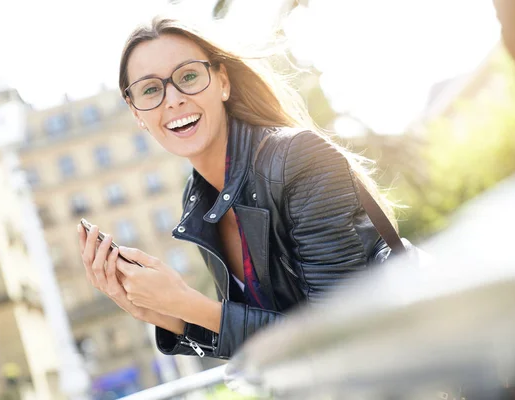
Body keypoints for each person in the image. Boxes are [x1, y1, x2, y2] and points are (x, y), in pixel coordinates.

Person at [77, 16, 402, 360]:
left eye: (188, 76)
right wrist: (160, 313)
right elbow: (267, 340)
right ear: (137, 113)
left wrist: (186, 302)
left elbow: (338, 333)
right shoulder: (199, 198)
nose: (172, 99)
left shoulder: (299, 158)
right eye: (151, 89)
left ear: (222, 82)